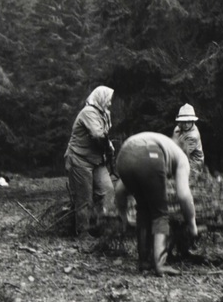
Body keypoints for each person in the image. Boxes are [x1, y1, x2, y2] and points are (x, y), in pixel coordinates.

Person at [114, 132, 198, 276]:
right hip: (149, 154)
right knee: (160, 213)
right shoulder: (182, 157)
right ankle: (160, 264)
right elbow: (184, 195)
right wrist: (192, 224)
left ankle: (144, 262)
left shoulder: (164, 144)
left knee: (144, 208)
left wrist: (123, 216)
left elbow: (120, 190)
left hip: (123, 156)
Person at [64, 86, 115, 238]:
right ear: (100, 98)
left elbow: (103, 135)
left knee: (107, 190)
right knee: (84, 197)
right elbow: (98, 135)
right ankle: (83, 231)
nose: (110, 103)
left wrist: (110, 150)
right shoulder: (88, 113)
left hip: (96, 160)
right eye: (108, 100)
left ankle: (104, 227)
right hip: (80, 159)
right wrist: (108, 148)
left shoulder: (103, 113)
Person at [171, 104, 204, 174]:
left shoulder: (193, 136)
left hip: (193, 166)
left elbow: (182, 154)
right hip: (182, 160)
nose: (186, 125)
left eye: (188, 121)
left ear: (192, 121)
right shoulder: (177, 129)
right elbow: (172, 144)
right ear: (180, 122)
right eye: (183, 121)